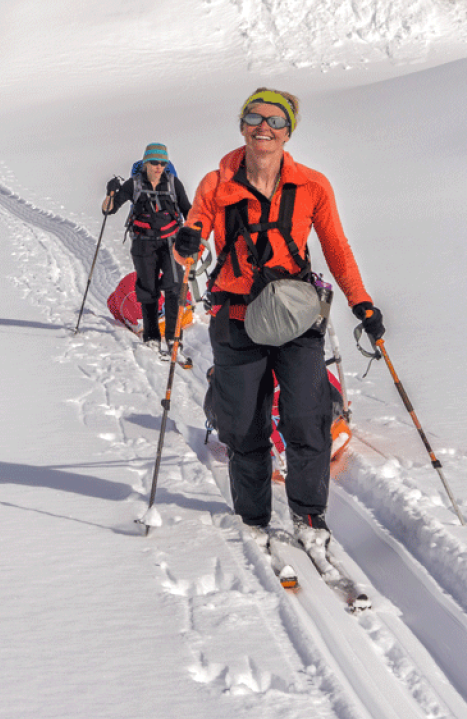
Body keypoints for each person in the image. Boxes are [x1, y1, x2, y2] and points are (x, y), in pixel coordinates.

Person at [174, 88, 385, 553]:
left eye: (275, 120)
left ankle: (310, 516)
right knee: (244, 426)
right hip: (236, 319)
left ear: (289, 131)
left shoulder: (312, 185)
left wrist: (361, 303)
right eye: (254, 116)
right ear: (242, 124)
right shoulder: (216, 183)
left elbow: (337, 249)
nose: (263, 127)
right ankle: (253, 518)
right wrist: (187, 242)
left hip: (295, 319)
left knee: (307, 421)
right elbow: (194, 230)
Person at [102, 143, 193, 353]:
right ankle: (152, 336)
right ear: (146, 162)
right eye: (154, 162)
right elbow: (108, 210)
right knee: (148, 290)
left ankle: (172, 337)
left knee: (174, 286)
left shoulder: (173, 183)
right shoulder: (133, 184)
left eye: (163, 163)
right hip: (143, 243)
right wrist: (110, 193)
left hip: (171, 242)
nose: (159, 167)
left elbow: (187, 209)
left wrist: (194, 233)